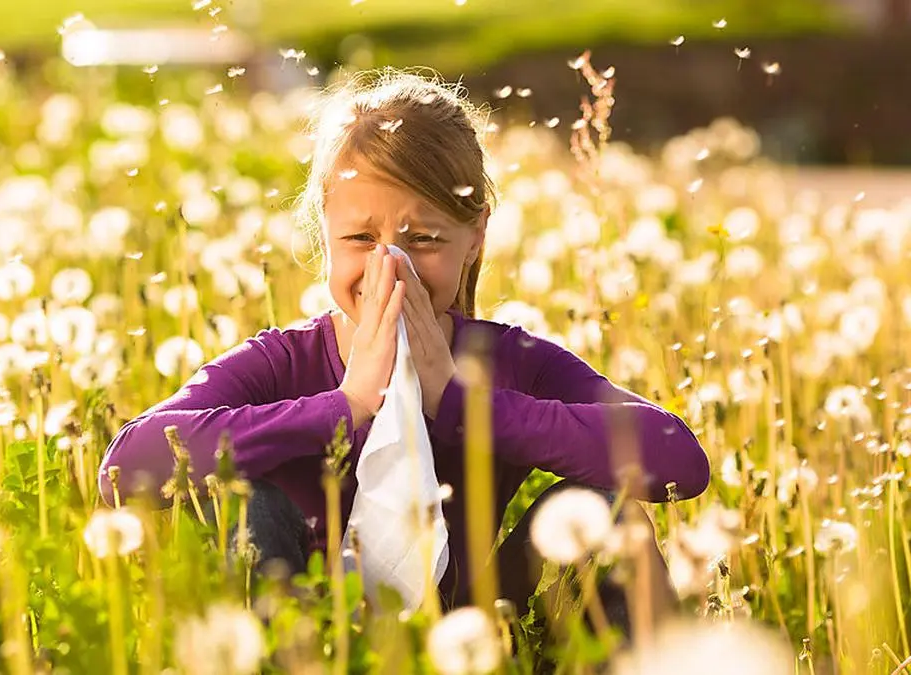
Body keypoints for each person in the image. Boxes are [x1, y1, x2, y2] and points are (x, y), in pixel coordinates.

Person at [99, 68, 710, 632]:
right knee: (247, 504)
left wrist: (463, 403)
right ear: (325, 231)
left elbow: (678, 459)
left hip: (475, 630)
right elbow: (125, 467)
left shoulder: (509, 361)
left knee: (605, 510)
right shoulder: (283, 362)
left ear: (475, 239)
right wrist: (346, 405)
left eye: (422, 239)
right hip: (307, 633)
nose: (389, 266)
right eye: (361, 237)